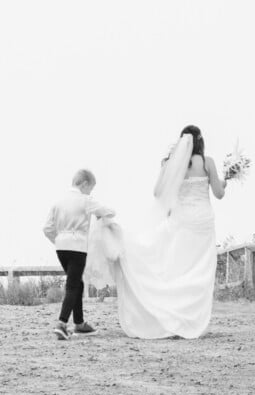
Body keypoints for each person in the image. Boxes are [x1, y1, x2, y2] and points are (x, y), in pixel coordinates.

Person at [87, 125, 227, 339]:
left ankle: (168, 313)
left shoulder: (171, 164)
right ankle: (189, 317)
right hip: (203, 222)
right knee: (200, 271)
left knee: (176, 268)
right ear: (200, 140)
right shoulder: (207, 162)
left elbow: (158, 192)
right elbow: (219, 194)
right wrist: (225, 182)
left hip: (181, 220)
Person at [42, 169, 115, 340]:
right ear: (84, 184)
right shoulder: (85, 200)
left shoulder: (58, 202)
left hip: (61, 247)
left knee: (78, 283)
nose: (91, 192)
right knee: (73, 286)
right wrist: (100, 214)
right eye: (91, 188)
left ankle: (80, 324)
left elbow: (47, 228)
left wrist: (58, 239)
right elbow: (108, 211)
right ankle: (61, 324)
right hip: (77, 247)